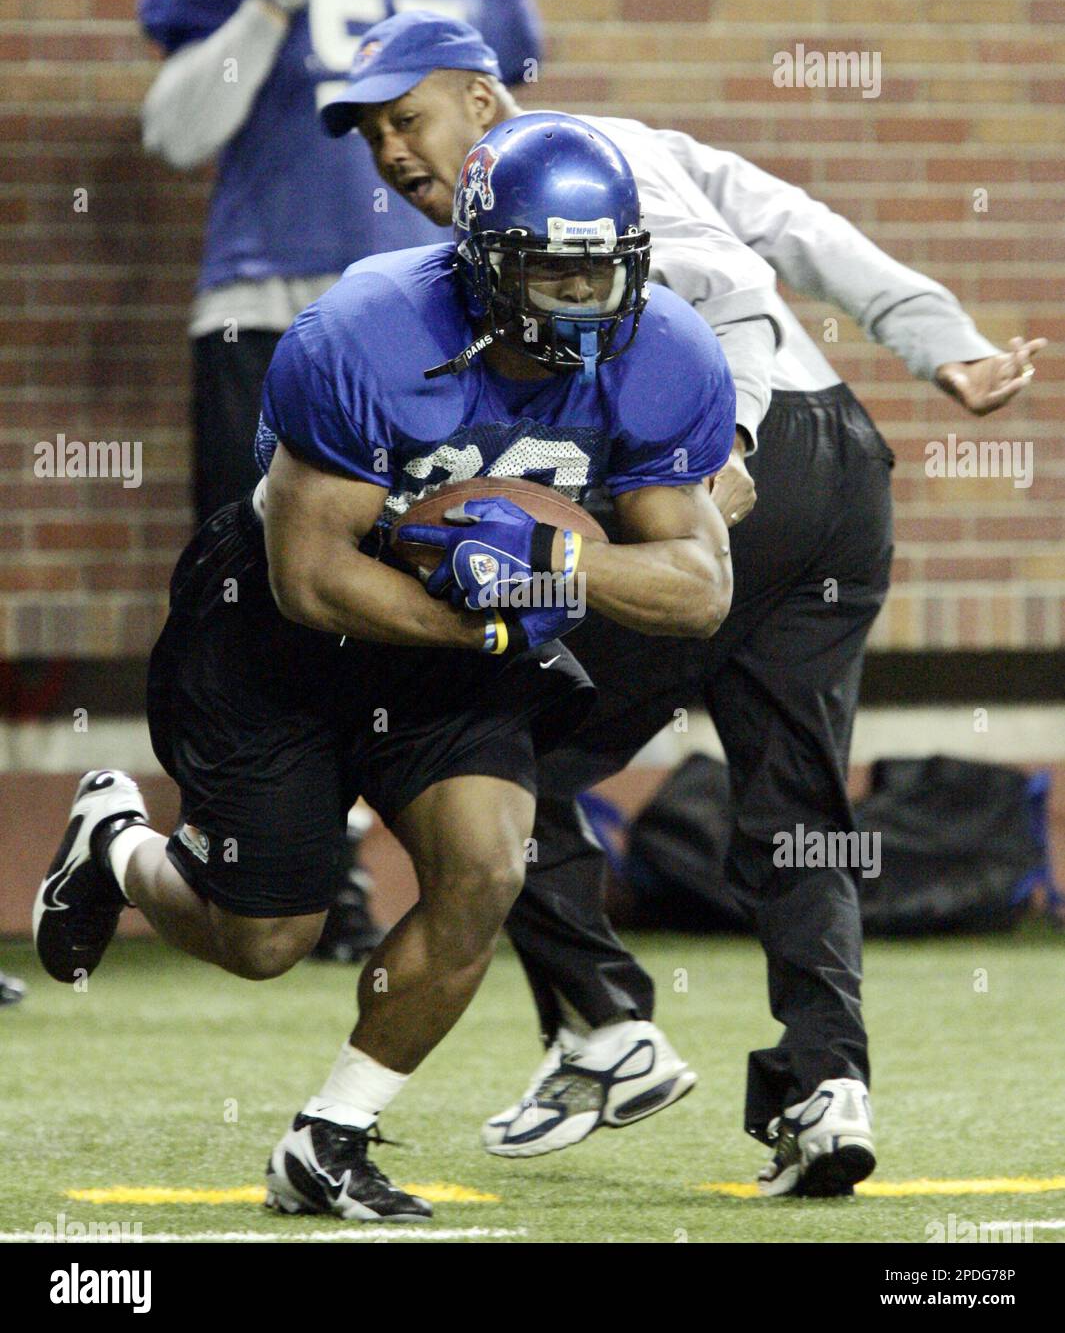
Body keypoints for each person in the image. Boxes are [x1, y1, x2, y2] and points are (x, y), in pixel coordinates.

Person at [321, 11, 1046, 1196]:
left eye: (410, 118)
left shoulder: (557, 174)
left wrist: (729, 447)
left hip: (740, 467)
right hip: (844, 475)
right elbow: (800, 225)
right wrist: (938, 338)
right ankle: (827, 1088)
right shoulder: (638, 140)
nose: (395, 153)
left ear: (486, 102)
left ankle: (605, 1026)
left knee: (482, 760)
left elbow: (740, 293)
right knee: (796, 798)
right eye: (372, 136)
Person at [33, 114, 736, 1222]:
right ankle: (115, 846)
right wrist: (487, 613)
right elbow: (310, 575)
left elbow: (699, 587)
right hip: (276, 635)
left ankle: (330, 1137)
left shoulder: (669, 352)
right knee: (265, 938)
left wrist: (547, 561)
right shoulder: (364, 331)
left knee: (486, 866)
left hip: (456, 645)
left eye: (602, 266)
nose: (584, 294)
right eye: (553, 268)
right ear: (484, 258)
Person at [138, 0, 542, 956]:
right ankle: (252, 849)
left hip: (437, 326)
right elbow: (173, 131)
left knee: (429, 569)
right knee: (273, 592)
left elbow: (513, 158)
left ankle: (347, 853)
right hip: (269, 307)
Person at [138, 0, 541, 526]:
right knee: (248, 548)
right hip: (268, 304)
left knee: (434, 542)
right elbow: (175, 137)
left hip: (435, 313)